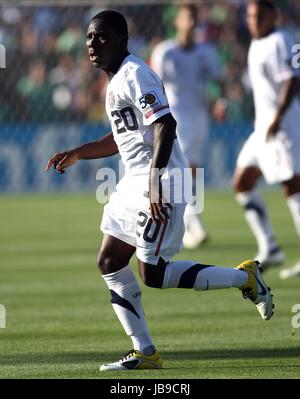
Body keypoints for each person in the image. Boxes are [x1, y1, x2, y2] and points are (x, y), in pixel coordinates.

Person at [46, 10, 274, 372]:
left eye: (102, 37)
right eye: (90, 38)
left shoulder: (135, 73)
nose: (92, 44)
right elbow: (125, 137)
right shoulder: (116, 79)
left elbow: (165, 124)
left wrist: (153, 184)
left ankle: (244, 277)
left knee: (153, 274)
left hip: (162, 181)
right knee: (109, 262)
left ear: (122, 40)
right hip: (132, 183)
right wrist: (79, 153)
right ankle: (145, 352)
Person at [232, 0, 300, 272]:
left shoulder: (282, 39)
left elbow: (292, 80)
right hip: (262, 128)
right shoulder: (256, 43)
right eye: (250, 16)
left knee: (292, 187)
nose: (254, 20)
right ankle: (269, 246)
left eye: (259, 15)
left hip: (282, 127)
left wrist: (277, 118)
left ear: (274, 15)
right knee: (242, 182)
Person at [151, 4, 221, 249]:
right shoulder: (165, 52)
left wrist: (219, 100)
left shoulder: (207, 52)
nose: (190, 23)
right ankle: (194, 221)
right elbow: (154, 82)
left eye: (194, 18)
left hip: (199, 114)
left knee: (192, 171)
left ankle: (187, 224)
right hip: (175, 114)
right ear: (177, 22)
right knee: (184, 168)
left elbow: (216, 81)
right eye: (186, 18)